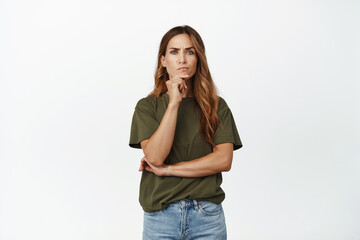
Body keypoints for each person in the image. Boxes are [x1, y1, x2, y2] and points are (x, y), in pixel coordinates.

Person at [129, 25, 242, 240]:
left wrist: (169, 170)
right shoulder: (147, 107)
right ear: (163, 60)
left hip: (207, 216)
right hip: (160, 218)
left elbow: (223, 160)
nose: (182, 59)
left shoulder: (217, 106)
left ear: (198, 58)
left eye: (189, 52)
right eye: (174, 52)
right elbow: (154, 157)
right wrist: (174, 103)